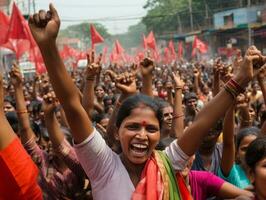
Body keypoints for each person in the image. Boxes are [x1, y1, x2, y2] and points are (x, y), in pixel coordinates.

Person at [28, 4, 264, 199]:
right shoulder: (102, 165)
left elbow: (201, 123)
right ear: (117, 130)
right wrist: (48, 46)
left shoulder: (169, 162)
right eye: (133, 127)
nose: (142, 135)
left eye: (151, 129)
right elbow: (72, 106)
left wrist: (240, 79)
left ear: (160, 134)